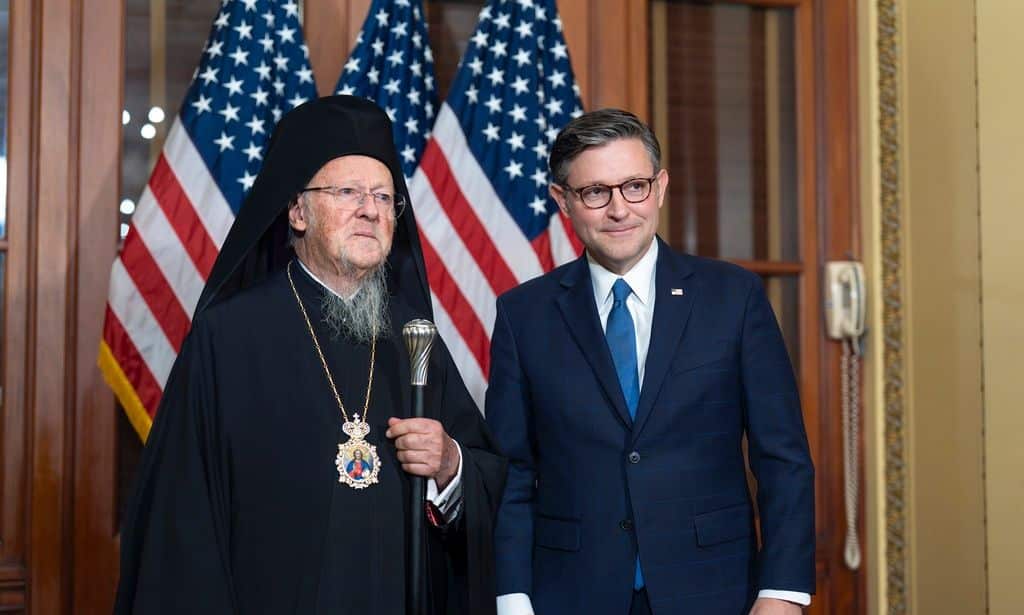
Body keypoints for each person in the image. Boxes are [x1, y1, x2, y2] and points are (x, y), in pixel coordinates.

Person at [114, 96, 507, 614]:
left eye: (384, 196)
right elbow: (183, 522)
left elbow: (485, 476)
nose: (371, 209)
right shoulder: (228, 336)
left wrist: (449, 463)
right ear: (298, 212)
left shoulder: (412, 336)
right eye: (348, 192)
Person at [486, 109, 814, 615]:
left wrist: (782, 593)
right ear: (562, 201)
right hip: (570, 593)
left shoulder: (734, 297)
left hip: (715, 589)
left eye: (634, 187)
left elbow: (782, 459)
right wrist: (513, 599)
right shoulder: (523, 314)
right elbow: (511, 474)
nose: (619, 209)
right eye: (596, 192)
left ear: (660, 188)